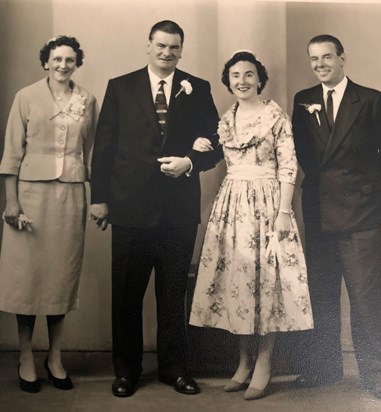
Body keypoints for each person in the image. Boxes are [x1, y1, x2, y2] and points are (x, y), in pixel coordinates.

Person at [89, 20, 219, 397]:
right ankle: (126, 371)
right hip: (130, 208)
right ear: (148, 46)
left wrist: (191, 162)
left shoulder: (198, 88)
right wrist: (100, 198)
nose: (167, 53)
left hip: (178, 211)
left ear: (181, 49)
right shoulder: (121, 86)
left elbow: (217, 139)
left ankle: (174, 368)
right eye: (161, 46)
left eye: (174, 47)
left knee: (173, 293)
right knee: (126, 295)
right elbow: (105, 147)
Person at [189, 51, 313, 401]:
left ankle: (265, 361)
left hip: (268, 203)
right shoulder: (226, 119)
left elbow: (289, 167)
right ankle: (243, 361)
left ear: (260, 79)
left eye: (248, 74)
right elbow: (213, 153)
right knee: (238, 283)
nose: (241, 81)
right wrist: (198, 144)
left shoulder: (275, 117)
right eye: (234, 76)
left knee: (268, 283)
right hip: (232, 204)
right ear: (227, 82)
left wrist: (283, 213)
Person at [291, 34, 381, 402]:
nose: (320, 64)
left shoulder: (370, 100)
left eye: (327, 57)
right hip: (319, 213)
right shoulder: (303, 100)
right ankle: (323, 370)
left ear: (342, 58)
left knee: (365, 299)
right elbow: (303, 153)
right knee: (321, 296)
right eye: (314, 59)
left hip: (359, 217)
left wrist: (370, 196)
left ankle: (376, 376)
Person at [0, 35, 98, 393]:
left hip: (70, 196)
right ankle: (26, 354)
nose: (63, 65)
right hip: (29, 197)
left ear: (77, 63)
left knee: (60, 276)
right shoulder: (25, 97)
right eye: (57, 59)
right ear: (46, 62)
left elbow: (93, 154)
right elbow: (11, 153)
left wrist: (98, 197)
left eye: (70, 60)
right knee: (27, 277)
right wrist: (11, 202)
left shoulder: (88, 100)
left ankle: (54, 356)